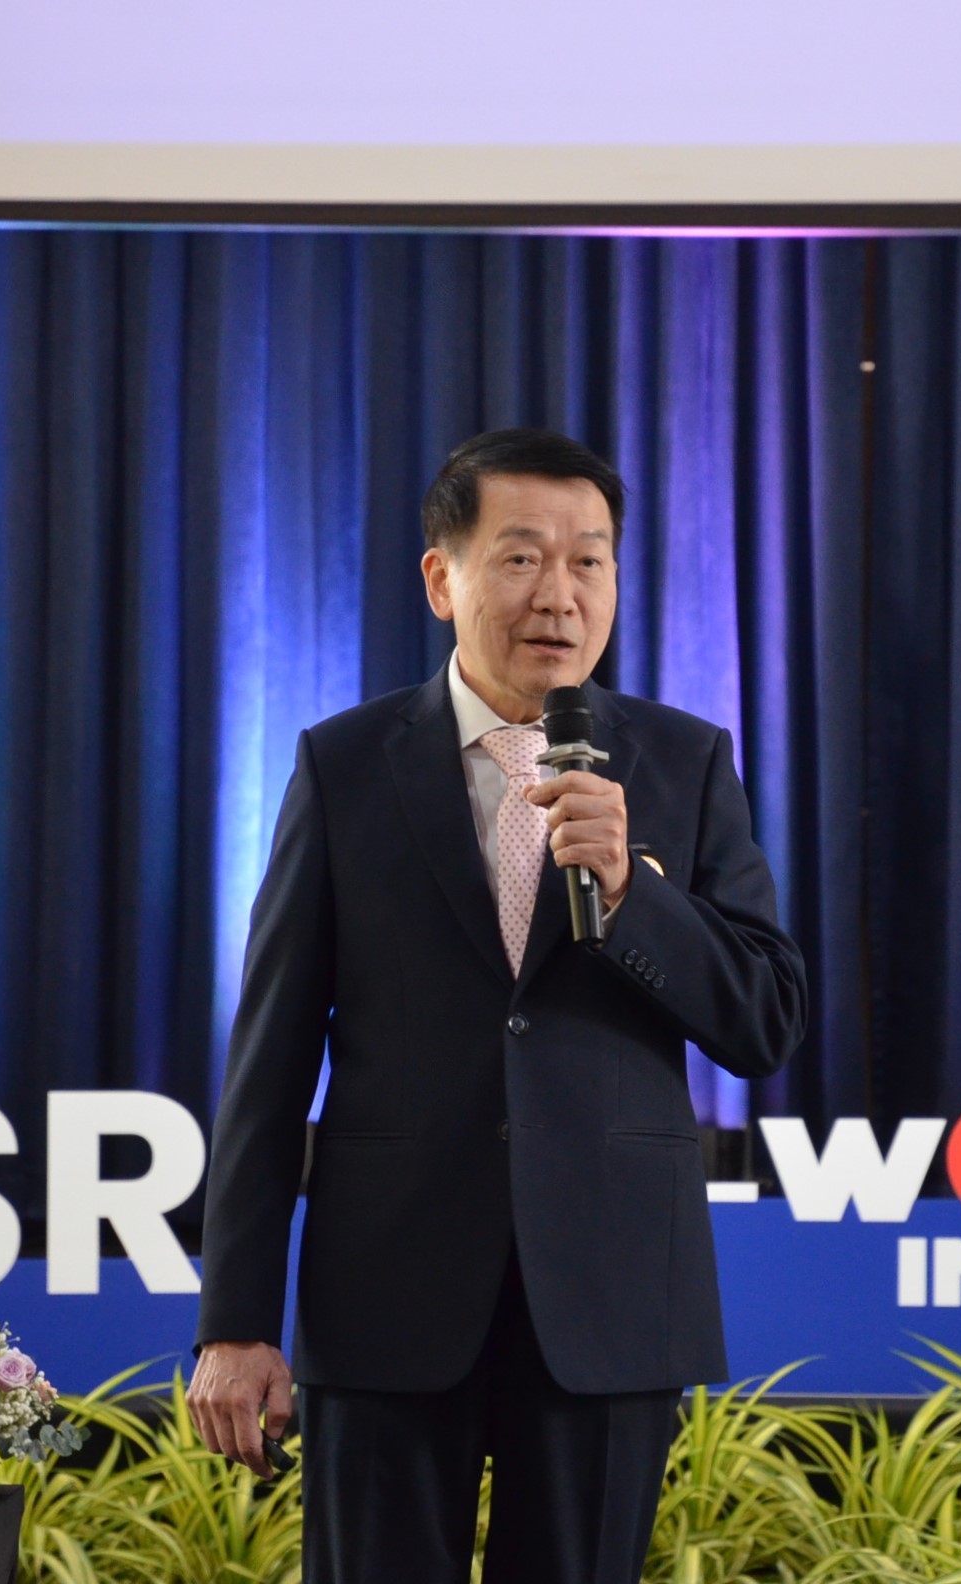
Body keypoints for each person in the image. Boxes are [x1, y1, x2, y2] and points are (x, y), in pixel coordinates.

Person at [188, 428, 807, 1584]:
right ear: (442, 578)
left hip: (610, 1300)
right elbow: (267, 1067)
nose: (558, 595)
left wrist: (629, 895)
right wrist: (235, 1319)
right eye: (520, 558)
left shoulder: (681, 763)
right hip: (386, 1297)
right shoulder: (344, 766)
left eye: (589, 561)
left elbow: (764, 1018)